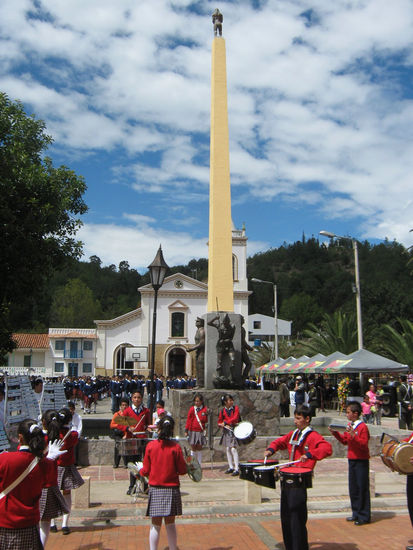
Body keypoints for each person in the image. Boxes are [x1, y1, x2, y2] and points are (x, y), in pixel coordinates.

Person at [264, 404, 332, 550]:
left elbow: (327, 448)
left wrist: (309, 454)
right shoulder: (294, 434)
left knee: (297, 518)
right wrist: (271, 449)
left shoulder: (313, 436)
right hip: (287, 481)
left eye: (298, 418)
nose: (295, 421)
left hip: (299, 482)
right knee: (286, 517)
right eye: (295, 418)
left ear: (307, 419)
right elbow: (280, 442)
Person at [0, 418, 65, 549]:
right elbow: (50, 482)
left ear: (20, 437)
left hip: (4, 522)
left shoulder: (5, 459)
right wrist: (50, 458)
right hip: (29, 524)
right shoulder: (45, 464)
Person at [138, 416, 188, 550]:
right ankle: (173, 548)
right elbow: (182, 470)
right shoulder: (176, 448)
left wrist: (139, 471)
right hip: (171, 488)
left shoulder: (150, 446)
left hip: (155, 487)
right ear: (171, 430)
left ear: (158, 429)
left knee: (155, 524)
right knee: (170, 523)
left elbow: (146, 470)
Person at [329, 401, 371, 525]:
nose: (346, 415)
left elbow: (363, 444)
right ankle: (356, 512)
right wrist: (335, 433)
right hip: (352, 459)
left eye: (348, 412)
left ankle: (364, 515)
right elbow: (345, 441)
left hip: (361, 460)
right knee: (353, 488)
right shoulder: (350, 426)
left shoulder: (362, 427)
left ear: (355, 413)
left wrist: (354, 435)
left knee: (362, 487)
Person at [51, 407, 84, 535]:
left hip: (53, 466)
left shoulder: (52, 432)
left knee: (53, 494)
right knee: (67, 494)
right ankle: (65, 523)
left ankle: (52, 523)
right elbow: (76, 437)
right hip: (66, 466)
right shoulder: (72, 434)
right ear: (69, 420)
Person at [39, 410, 70, 546]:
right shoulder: (58, 437)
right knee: (45, 522)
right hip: (51, 482)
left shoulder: (39, 439)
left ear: (43, 422)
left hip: (37, 483)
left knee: (38, 522)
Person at [123, 390, 151, 495]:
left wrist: (148, 428)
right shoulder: (127, 411)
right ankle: (132, 486)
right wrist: (127, 428)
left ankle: (145, 486)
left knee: (145, 463)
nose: (137, 399)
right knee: (133, 464)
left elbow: (148, 424)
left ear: (141, 399)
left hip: (143, 440)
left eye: (139, 397)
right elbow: (119, 424)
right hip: (132, 440)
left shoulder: (146, 411)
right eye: (135, 397)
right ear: (132, 399)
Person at [218, 394, 240, 476]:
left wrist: (226, 422)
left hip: (234, 430)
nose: (231, 402)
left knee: (233, 449)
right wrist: (221, 424)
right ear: (225, 402)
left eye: (232, 400)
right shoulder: (222, 411)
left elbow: (235, 418)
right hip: (227, 431)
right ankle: (231, 467)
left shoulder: (235, 408)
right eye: (229, 400)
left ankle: (236, 468)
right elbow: (219, 421)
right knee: (228, 449)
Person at [185, 393, 208, 467]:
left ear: (201, 401)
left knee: (199, 447)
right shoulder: (192, 409)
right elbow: (189, 420)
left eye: (198, 401)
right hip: (193, 430)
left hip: (200, 430)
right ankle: (192, 463)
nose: (196, 403)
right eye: (195, 401)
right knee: (193, 447)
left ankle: (199, 464)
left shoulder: (204, 409)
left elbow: (205, 420)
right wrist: (186, 430)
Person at [110, 398, 130, 468]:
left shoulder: (129, 415)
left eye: (126, 405)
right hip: (118, 433)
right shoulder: (117, 414)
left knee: (124, 445)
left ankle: (126, 463)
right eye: (123, 405)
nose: (124, 407)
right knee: (118, 445)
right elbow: (112, 425)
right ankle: (116, 463)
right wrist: (119, 425)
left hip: (125, 434)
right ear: (120, 406)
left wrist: (126, 434)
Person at [68, 401, 82, 466]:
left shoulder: (78, 417)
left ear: (74, 409)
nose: (70, 411)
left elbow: (80, 428)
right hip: (67, 434)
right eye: (69, 409)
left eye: (71, 409)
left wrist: (77, 436)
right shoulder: (66, 416)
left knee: (75, 448)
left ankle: (75, 462)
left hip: (74, 435)